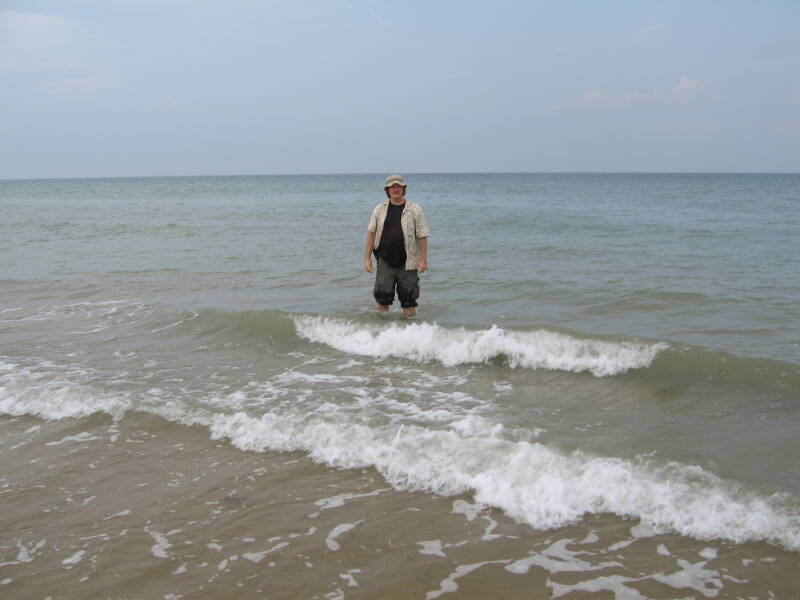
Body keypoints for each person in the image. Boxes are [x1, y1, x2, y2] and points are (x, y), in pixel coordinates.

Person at [364, 174, 429, 318]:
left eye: (399, 186)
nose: (396, 189)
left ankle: (409, 334)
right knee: (383, 298)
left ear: (403, 189)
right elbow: (371, 233)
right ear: (387, 190)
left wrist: (423, 259)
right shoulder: (379, 209)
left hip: (409, 262)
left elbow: (422, 235)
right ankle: (382, 333)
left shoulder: (414, 209)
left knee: (409, 300)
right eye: (392, 187)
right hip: (385, 261)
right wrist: (367, 259)